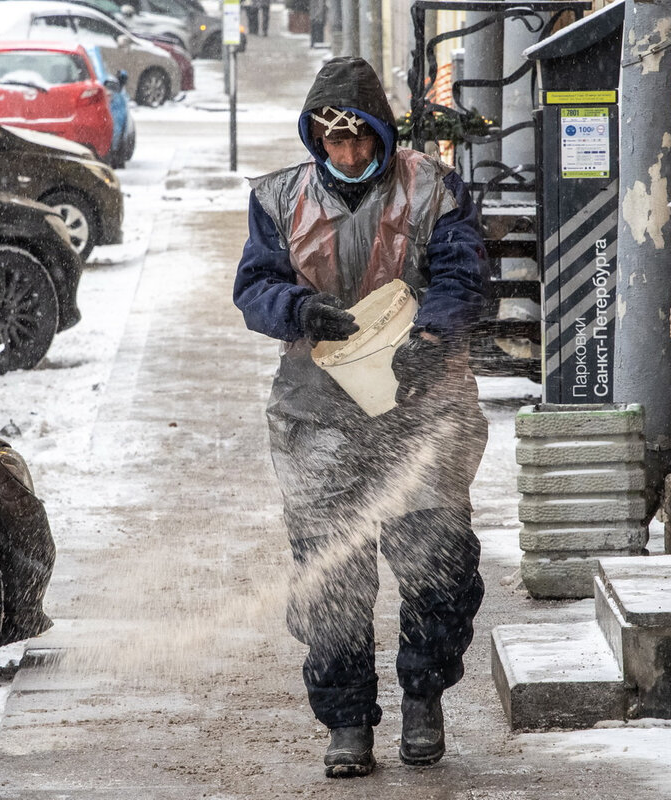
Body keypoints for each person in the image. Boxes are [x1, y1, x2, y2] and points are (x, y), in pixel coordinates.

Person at [232, 57, 489, 779]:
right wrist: (296, 308)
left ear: (380, 133)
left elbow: (464, 272)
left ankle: (424, 699)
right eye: (332, 141)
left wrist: (432, 337)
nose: (347, 154)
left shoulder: (434, 190)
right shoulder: (280, 199)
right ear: (316, 138)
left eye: (359, 140)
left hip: (422, 409)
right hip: (316, 415)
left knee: (439, 571)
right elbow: (254, 285)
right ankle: (347, 722)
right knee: (331, 580)